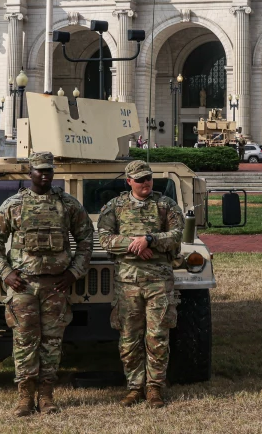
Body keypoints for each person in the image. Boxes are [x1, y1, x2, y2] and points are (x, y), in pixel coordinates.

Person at [0, 151, 94, 417]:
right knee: (23, 342)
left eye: (48, 170)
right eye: (39, 171)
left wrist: (74, 273)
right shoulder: (13, 205)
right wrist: (5, 272)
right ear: (30, 172)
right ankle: (24, 398)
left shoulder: (67, 204)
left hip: (56, 286)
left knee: (52, 343)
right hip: (23, 286)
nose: (44, 175)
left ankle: (46, 396)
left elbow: (86, 240)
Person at [98, 160, 185, 409]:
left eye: (148, 178)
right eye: (139, 179)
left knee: (158, 336)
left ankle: (155, 387)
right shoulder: (115, 206)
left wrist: (149, 239)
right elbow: (104, 237)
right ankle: (134, 387)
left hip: (159, 282)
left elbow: (177, 235)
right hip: (128, 282)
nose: (145, 183)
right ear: (129, 182)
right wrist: (133, 246)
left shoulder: (165, 205)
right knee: (129, 338)